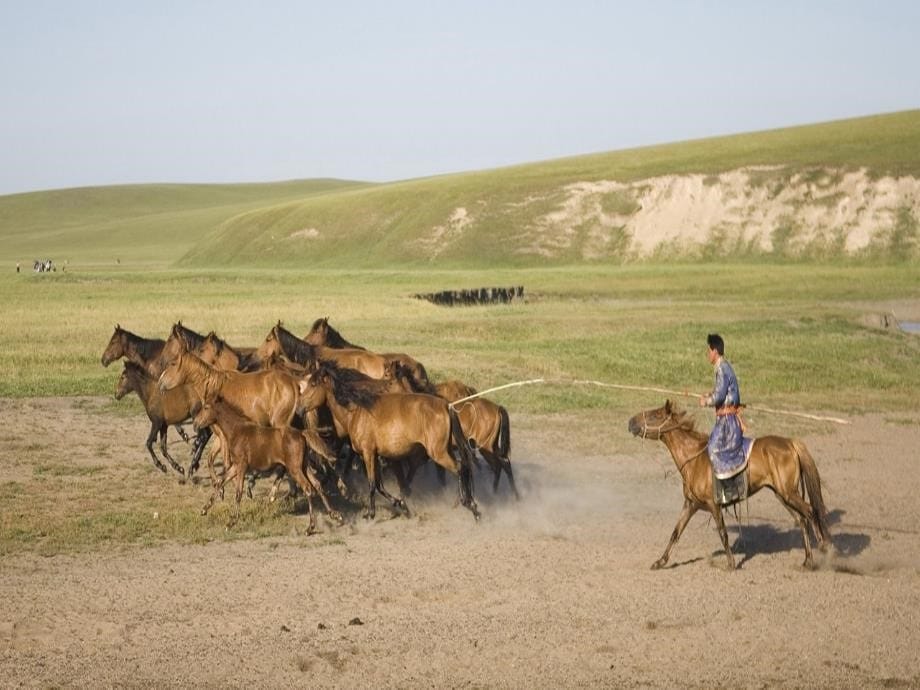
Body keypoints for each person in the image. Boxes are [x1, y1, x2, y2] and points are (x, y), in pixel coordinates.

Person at [698, 333, 746, 480]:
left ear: (715, 351)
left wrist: (705, 402)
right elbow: (721, 392)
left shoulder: (722, 369)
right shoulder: (723, 367)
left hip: (727, 421)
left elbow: (719, 396)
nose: (708, 354)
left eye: (709, 351)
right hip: (725, 418)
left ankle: (728, 485)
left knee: (712, 449)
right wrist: (708, 395)